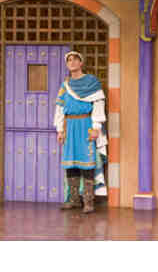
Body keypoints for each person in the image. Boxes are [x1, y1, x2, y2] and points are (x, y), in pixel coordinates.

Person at [54, 51, 107, 213]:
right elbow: (60, 108)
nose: (71, 62)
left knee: (87, 161)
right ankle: (74, 199)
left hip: (86, 125)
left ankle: (88, 201)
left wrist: (96, 127)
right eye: (69, 60)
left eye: (75, 59)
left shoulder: (92, 82)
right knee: (71, 162)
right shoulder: (65, 85)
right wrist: (60, 130)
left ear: (81, 62)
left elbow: (98, 104)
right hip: (69, 126)